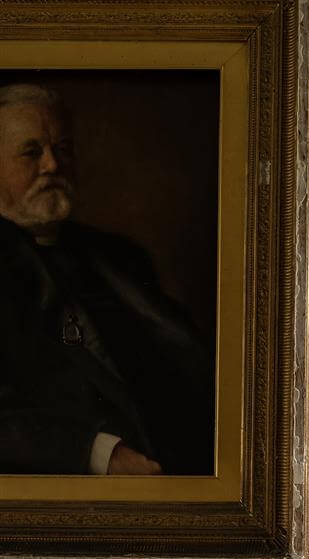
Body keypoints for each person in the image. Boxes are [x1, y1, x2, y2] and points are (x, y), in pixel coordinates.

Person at [0, 83, 214, 476]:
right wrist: (99, 453)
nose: (52, 165)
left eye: (62, 149)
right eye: (32, 152)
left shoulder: (120, 258)